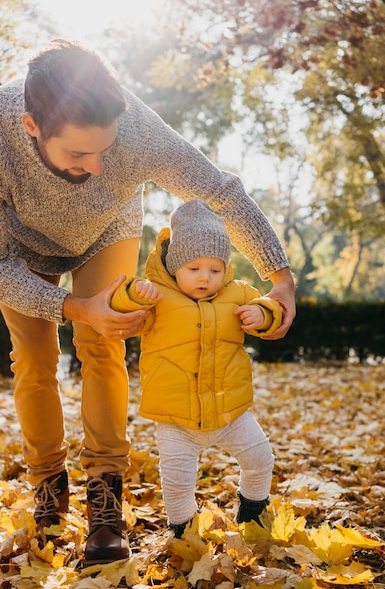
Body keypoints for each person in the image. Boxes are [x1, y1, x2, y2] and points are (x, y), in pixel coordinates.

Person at [0, 39, 295, 565]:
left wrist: (279, 276)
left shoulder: (139, 129)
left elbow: (220, 191)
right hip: (19, 246)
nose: (97, 166)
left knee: (103, 347)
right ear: (32, 127)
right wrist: (74, 306)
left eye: (106, 148)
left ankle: (104, 499)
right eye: (79, 153)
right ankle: (49, 489)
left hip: (107, 231)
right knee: (34, 359)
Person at [111, 199, 283, 535]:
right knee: (177, 481)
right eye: (194, 269)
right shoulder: (156, 294)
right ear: (175, 265)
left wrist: (263, 314)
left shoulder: (237, 294)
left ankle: (253, 510)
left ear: (225, 269)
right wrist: (134, 293)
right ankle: (183, 530)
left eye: (214, 270)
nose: (205, 278)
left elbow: (270, 306)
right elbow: (119, 301)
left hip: (230, 410)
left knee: (260, 458)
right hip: (176, 417)